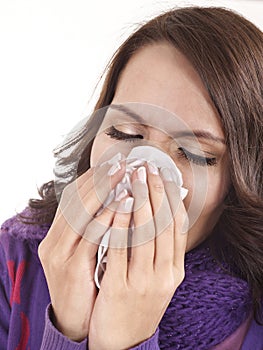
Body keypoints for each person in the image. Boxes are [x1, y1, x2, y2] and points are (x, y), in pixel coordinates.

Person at [0, 6, 262, 350]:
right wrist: (67, 325)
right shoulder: (16, 261)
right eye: (124, 133)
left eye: (197, 153)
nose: (143, 172)